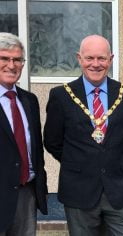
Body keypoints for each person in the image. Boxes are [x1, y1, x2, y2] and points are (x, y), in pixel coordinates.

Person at [44, 35, 123, 236]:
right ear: (79, 59)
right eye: (89, 58)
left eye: (101, 58)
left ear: (111, 59)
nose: (96, 64)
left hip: (119, 190)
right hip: (79, 190)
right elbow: (52, 141)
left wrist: (114, 160)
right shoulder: (61, 96)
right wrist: (80, 162)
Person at [0, 32, 48, 236]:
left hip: (26, 194)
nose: (12, 65)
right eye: (4, 58)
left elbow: (36, 148)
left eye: (17, 59)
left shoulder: (29, 100)